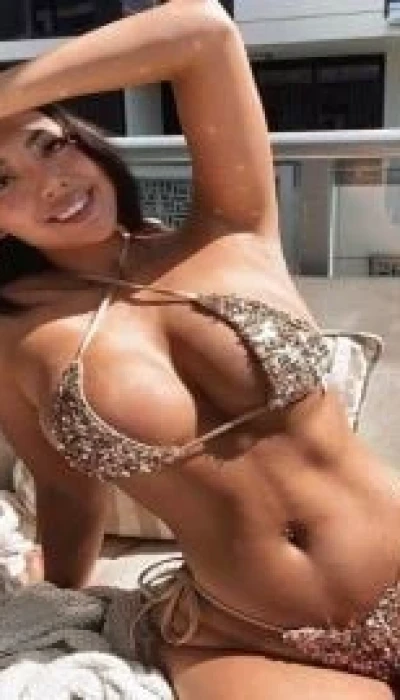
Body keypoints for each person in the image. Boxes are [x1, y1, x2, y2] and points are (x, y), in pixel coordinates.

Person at [0, 1, 398, 698]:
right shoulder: (15, 340)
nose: (51, 182)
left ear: (89, 144)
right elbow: (65, 492)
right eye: (1, 180)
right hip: (241, 634)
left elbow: (203, 30)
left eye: (50, 145)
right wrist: (58, 594)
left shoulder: (231, 227)